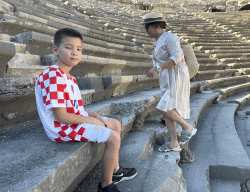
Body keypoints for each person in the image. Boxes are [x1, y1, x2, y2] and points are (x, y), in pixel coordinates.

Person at [35, 28, 137, 192]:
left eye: (78, 49)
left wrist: (95, 115)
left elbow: (77, 109)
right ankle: (105, 185)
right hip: (61, 129)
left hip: (72, 121)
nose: (74, 52)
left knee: (115, 124)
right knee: (113, 137)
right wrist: (93, 121)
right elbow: (61, 116)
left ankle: (116, 171)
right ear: (55, 50)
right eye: (68, 47)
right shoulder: (52, 75)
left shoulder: (70, 78)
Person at [144, 12, 197, 152]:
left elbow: (177, 58)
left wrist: (157, 68)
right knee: (168, 110)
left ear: (156, 25)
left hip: (176, 76)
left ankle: (187, 127)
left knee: (164, 107)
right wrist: (158, 68)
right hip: (168, 77)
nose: (146, 31)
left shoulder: (170, 38)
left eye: (147, 27)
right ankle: (174, 143)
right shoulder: (160, 40)